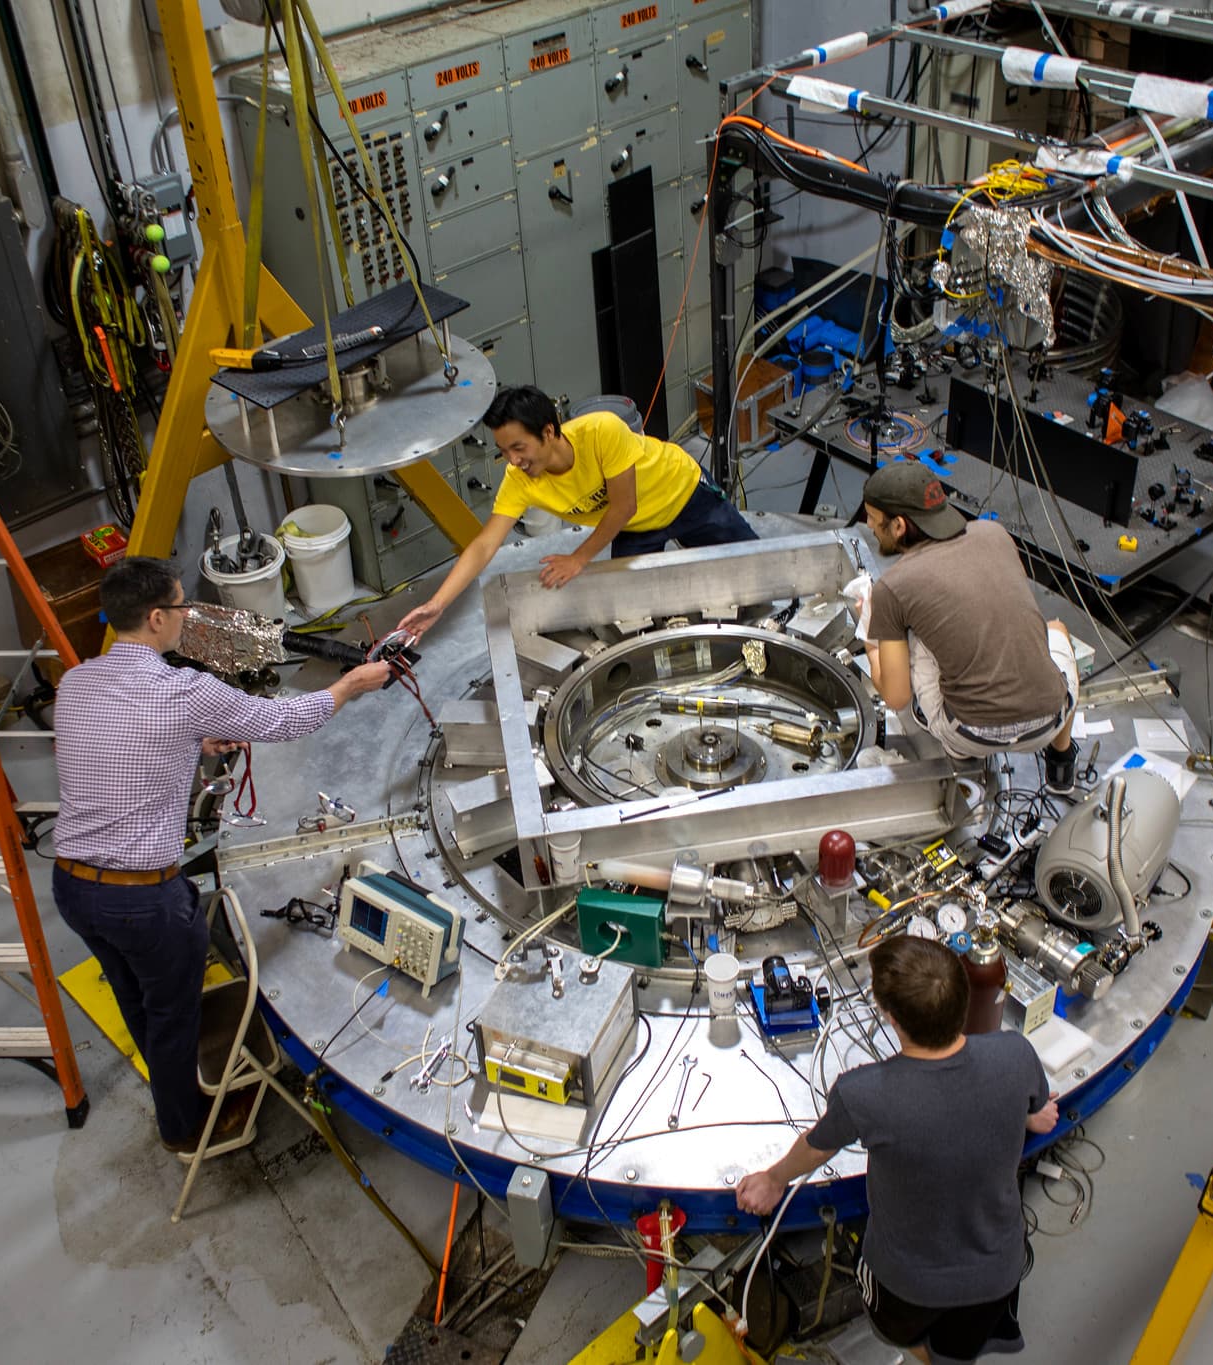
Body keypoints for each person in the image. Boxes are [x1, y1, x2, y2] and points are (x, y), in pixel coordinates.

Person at [51, 557, 393, 1156]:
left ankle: (168, 1088)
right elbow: (284, 720)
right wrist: (349, 686)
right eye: (182, 607)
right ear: (156, 619)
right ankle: (187, 1131)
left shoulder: (77, 682)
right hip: (144, 902)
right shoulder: (185, 690)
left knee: (137, 999)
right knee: (173, 1014)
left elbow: (119, 748)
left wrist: (194, 740)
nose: (187, 617)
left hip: (74, 888)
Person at [737, 936, 1058, 1363]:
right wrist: (1030, 1116)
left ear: (889, 1016)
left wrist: (772, 1180)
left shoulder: (864, 1093)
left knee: (909, 1336)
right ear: (963, 997)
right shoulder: (1014, 1053)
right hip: (998, 1273)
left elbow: (817, 1147)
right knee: (958, 1352)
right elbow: (1034, 1103)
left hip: (906, 1288)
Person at [397, 386, 756, 639]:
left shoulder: (602, 430)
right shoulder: (519, 479)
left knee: (754, 567)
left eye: (519, 448)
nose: (513, 460)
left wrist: (579, 558)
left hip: (685, 494)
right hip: (633, 528)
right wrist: (438, 604)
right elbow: (484, 545)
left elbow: (623, 505)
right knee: (631, 613)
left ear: (549, 431)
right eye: (504, 451)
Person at [853, 462, 1079, 793]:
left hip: (969, 735)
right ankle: (1061, 763)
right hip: (1048, 721)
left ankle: (955, 747)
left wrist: (872, 638)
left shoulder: (894, 586)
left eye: (873, 519)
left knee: (909, 641)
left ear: (899, 525)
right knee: (1057, 629)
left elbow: (896, 696)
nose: (868, 525)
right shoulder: (995, 534)